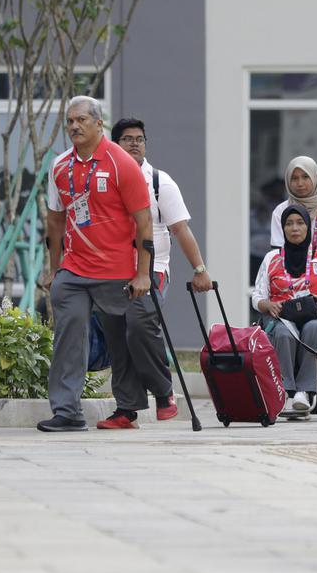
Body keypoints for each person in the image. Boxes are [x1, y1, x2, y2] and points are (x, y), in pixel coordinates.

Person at [40, 96, 153, 433]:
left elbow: (144, 223)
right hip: (74, 269)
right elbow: (55, 223)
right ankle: (67, 412)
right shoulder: (59, 166)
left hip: (118, 269)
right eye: (69, 122)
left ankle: (140, 401)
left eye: (81, 120)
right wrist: (54, 268)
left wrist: (143, 272)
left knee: (127, 337)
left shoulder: (122, 163)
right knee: (69, 336)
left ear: (98, 123)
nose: (74, 126)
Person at [105, 117, 212, 427]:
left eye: (140, 138)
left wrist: (200, 269)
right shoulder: (106, 181)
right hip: (111, 270)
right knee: (117, 337)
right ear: (115, 145)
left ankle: (164, 390)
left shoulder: (158, 182)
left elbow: (181, 229)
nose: (135, 143)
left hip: (153, 269)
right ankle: (127, 408)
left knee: (139, 325)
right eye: (127, 138)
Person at [253, 206, 317, 414]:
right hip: (282, 318)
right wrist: (267, 305)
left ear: (309, 227)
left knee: (313, 328)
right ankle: (286, 392)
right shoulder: (272, 258)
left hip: (315, 316)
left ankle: (304, 392)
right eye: (289, 223)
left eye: (300, 223)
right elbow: (257, 296)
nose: (294, 228)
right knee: (283, 334)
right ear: (283, 229)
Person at [270, 157, 317, 261]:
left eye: (305, 177)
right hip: (289, 274)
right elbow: (277, 254)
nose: (300, 183)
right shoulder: (280, 211)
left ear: (315, 177)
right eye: (294, 178)